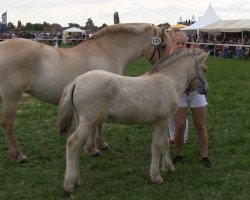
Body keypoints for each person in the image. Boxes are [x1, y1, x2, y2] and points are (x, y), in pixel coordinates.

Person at [169, 28, 212, 168]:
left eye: (183, 43)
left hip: (195, 93)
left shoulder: (191, 56)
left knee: (200, 125)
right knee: (179, 126)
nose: (181, 46)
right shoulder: (167, 60)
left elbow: (201, 62)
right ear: (172, 43)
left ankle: (205, 156)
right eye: (178, 43)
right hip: (179, 94)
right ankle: (179, 153)